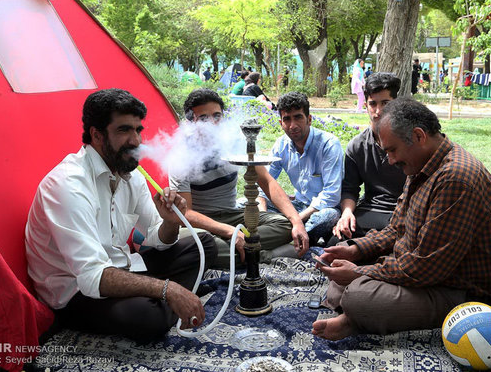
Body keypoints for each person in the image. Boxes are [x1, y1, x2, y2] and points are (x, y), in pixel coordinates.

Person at [25, 88, 217, 342]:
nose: (136, 141)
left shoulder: (130, 175)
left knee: (203, 244)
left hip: (120, 268)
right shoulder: (67, 184)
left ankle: (167, 298)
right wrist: (167, 288)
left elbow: (154, 236)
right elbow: (93, 277)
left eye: (138, 130)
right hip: (76, 293)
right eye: (123, 130)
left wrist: (170, 223)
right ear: (96, 134)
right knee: (148, 318)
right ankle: (170, 299)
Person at [312, 97, 491, 340]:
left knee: (358, 296)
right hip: (418, 270)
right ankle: (358, 313)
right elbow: (396, 230)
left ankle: (356, 317)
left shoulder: (456, 179)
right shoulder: (421, 166)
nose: (391, 160)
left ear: (418, 136)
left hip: (458, 290)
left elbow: (426, 268)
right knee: (342, 251)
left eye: (392, 150)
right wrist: (355, 251)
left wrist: (361, 273)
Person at [169, 89, 309, 268]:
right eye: (203, 118)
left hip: (233, 215)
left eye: (217, 116)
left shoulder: (234, 143)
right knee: (205, 245)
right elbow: (185, 213)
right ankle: (264, 255)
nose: (212, 123)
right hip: (203, 224)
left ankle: (240, 254)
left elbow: (266, 181)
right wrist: (228, 232)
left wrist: (297, 222)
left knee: (284, 224)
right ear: (190, 122)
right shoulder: (180, 155)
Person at [330, 73, 406, 247]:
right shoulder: (357, 146)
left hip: (405, 211)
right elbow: (350, 189)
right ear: (366, 105)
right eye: (373, 104)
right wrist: (347, 213)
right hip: (371, 209)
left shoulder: (409, 142)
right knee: (335, 243)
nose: (378, 112)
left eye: (385, 104)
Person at [259, 92, 343, 246]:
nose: (293, 125)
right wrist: (263, 218)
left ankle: (286, 241)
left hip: (318, 210)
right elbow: (263, 183)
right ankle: (285, 235)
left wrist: (296, 219)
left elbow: (332, 195)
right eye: (287, 119)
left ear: (309, 119)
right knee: (245, 203)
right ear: (281, 123)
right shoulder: (281, 145)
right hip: (297, 207)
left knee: (328, 216)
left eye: (298, 117)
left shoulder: (328, 144)